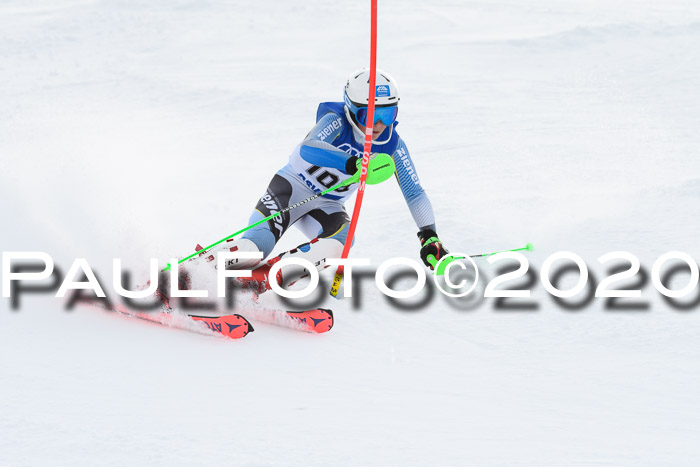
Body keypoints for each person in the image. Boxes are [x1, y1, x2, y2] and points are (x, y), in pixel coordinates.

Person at [195, 68, 449, 293]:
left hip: (327, 205)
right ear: (351, 110)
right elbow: (309, 148)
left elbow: (414, 192)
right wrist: (352, 163)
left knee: (343, 242)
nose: (380, 124)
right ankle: (190, 271)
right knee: (255, 248)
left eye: (388, 113)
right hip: (290, 190)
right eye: (370, 116)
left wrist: (429, 235)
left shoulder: (392, 145)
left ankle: (263, 279)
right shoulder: (336, 121)